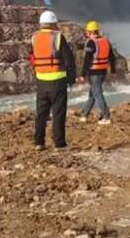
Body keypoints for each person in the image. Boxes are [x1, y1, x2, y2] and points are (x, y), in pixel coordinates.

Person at [29, 9, 77, 150]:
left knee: (41, 114)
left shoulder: (34, 37)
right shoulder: (58, 37)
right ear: (54, 23)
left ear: (41, 23)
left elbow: (32, 57)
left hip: (41, 82)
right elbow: (69, 60)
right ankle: (59, 144)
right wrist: (71, 79)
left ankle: (39, 142)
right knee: (58, 114)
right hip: (57, 81)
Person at [79, 20, 116, 124]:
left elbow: (87, 60)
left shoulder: (91, 42)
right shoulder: (105, 41)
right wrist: (113, 70)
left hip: (94, 72)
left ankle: (106, 116)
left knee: (97, 93)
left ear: (90, 31)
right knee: (93, 93)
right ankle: (84, 115)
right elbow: (112, 57)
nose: (86, 33)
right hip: (103, 71)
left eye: (87, 31)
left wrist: (82, 74)